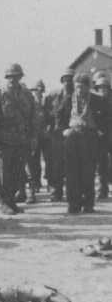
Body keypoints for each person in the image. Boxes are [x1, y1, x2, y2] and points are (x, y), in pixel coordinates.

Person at [0, 63, 35, 215]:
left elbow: (33, 117)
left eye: (16, 76)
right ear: (7, 78)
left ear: (20, 77)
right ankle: (5, 203)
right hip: (4, 142)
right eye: (10, 77)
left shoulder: (27, 94)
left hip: (21, 141)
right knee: (3, 174)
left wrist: (33, 137)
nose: (13, 79)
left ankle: (12, 202)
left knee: (17, 173)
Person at [56, 73, 106, 213]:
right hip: (72, 138)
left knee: (88, 172)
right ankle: (73, 204)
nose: (79, 90)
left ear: (88, 87)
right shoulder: (67, 100)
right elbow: (58, 117)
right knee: (72, 172)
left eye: (82, 87)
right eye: (77, 87)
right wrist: (64, 130)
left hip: (90, 138)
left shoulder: (97, 100)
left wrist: (100, 131)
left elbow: (107, 118)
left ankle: (88, 204)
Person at [47, 68, 75, 201]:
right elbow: (49, 115)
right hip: (57, 136)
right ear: (62, 81)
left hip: (73, 135)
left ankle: (72, 193)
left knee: (72, 165)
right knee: (56, 165)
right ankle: (56, 192)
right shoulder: (54, 96)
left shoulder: (77, 96)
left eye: (70, 80)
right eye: (65, 80)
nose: (68, 82)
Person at [95, 77, 112, 199]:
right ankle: (102, 189)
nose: (102, 90)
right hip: (101, 137)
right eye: (100, 88)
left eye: (104, 88)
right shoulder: (96, 102)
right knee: (101, 164)